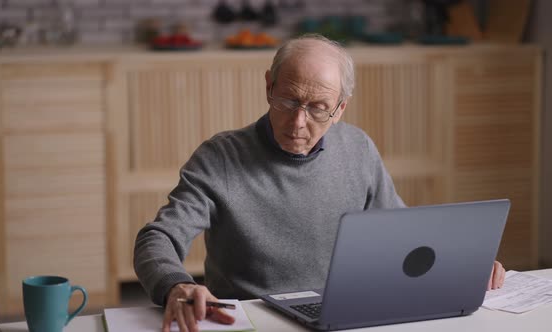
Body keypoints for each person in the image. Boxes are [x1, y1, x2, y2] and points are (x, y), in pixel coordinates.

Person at [134, 34, 506, 332]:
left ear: (341, 107)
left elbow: (403, 237)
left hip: (346, 314)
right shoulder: (221, 157)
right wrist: (175, 285)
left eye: (317, 108)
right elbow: (158, 237)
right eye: (288, 101)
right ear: (269, 87)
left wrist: (464, 264)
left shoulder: (358, 148)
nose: (298, 123)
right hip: (251, 319)